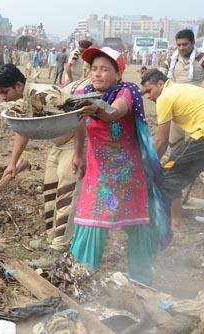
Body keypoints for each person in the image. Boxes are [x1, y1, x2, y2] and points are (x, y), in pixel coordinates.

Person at [70, 47, 169, 284]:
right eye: (94, 69)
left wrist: (95, 108)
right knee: (90, 220)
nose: (97, 74)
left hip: (128, 174)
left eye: (105, 69)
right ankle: (80, 279)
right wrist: (77, 154)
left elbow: (115, 113)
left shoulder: (128, 91)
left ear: (118, 73)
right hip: (99, 172)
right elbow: (79, 125)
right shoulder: (84, 93)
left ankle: (142, 280)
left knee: (137, 225)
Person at [0, 64, 88, 250]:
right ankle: (50, 237)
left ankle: (59, 247)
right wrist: (12, 163)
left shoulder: (45, 96)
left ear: (18, 85)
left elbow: (78, 119)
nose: (2, 97)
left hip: (73, 143)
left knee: (66, 194)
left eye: (4, 92)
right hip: (57, 144)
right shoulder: (23, 99)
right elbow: (22, 129)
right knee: (50, 191)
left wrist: (78, 153)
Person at [140, 69, 204, 226]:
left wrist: (148, 164)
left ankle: (174, 222)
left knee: (170, 174)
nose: (148, 97)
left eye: (149, 91)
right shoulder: (182, 88)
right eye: (145, 94)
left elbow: (161, 141)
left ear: (161, 84)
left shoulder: (165, 97)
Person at [164, 29, 204, 150]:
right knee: (174, 144)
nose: (181, 48)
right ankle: (176, 168)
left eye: (185, 44)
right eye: (179, 45)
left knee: (195, 145)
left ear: (193, 43)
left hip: (199, 111)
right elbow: (162, 83)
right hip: (177, 110)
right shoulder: (170, 61)